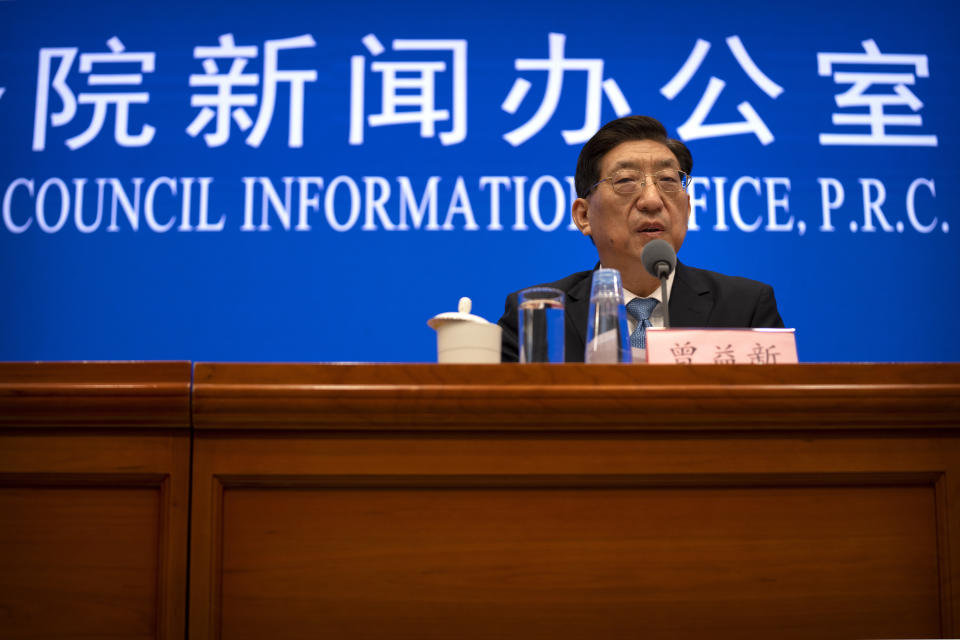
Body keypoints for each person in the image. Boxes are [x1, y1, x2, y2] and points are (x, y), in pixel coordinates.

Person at [498, 115, 784, 362]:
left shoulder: (745, 309)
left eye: (668, 181)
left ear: (687, 208)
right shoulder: (537, 317)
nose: (651, 200)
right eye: (625, 181)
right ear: (584, 216)